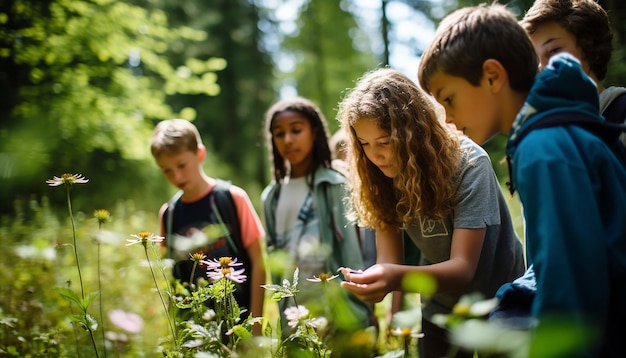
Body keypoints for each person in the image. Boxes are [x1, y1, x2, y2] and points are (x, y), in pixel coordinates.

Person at [417, 3, 626, 357]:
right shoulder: (548, 133)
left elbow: (571, 283)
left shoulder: (543, 148)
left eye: (449, 99)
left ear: (493, 77)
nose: (448, 119)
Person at [337, 67, 525, 358]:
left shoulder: (469, 164)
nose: (375, 156)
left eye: (385, 142)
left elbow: (462, 269)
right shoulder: (381, 176)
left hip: (498, 305)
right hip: (439, 307)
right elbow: (389, 262)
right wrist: (376, 281)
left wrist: (392, 277)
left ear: (413, 131)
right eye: (364, 144)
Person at [261, 97, 372, 341]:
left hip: (337, 313)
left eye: (296, 130)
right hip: (294, 315)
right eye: (279, 134)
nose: (288, 140)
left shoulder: (335, 184)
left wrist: (362, 311)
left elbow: (353, 254)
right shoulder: (272, 196)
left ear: (315, 132)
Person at [150, 118, 266, 333]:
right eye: (167, 170)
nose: (177, 176)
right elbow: (172, 278)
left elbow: (259, 262)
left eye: (182, 165)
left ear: (200, 154)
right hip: (196, 330)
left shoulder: (232, 198)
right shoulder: (169, 214)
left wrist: (255, 326)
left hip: (239, 326)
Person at [520, 0, 626, 145]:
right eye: (536, 58)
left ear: (590, 48)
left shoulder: (621, 114)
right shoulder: (547, 136)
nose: (542, 68)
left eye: (553, 50)